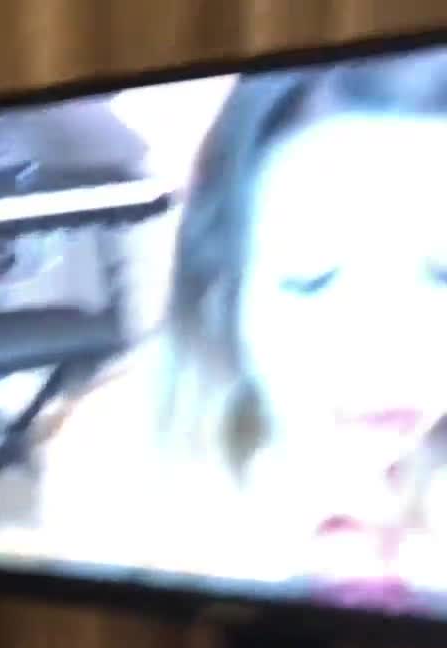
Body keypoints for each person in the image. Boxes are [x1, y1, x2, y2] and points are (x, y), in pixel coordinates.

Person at [34, 49, 447, 605]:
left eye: (443, 274)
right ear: (222, 282)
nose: (392, 349)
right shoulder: (122, 464)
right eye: (311, 279)